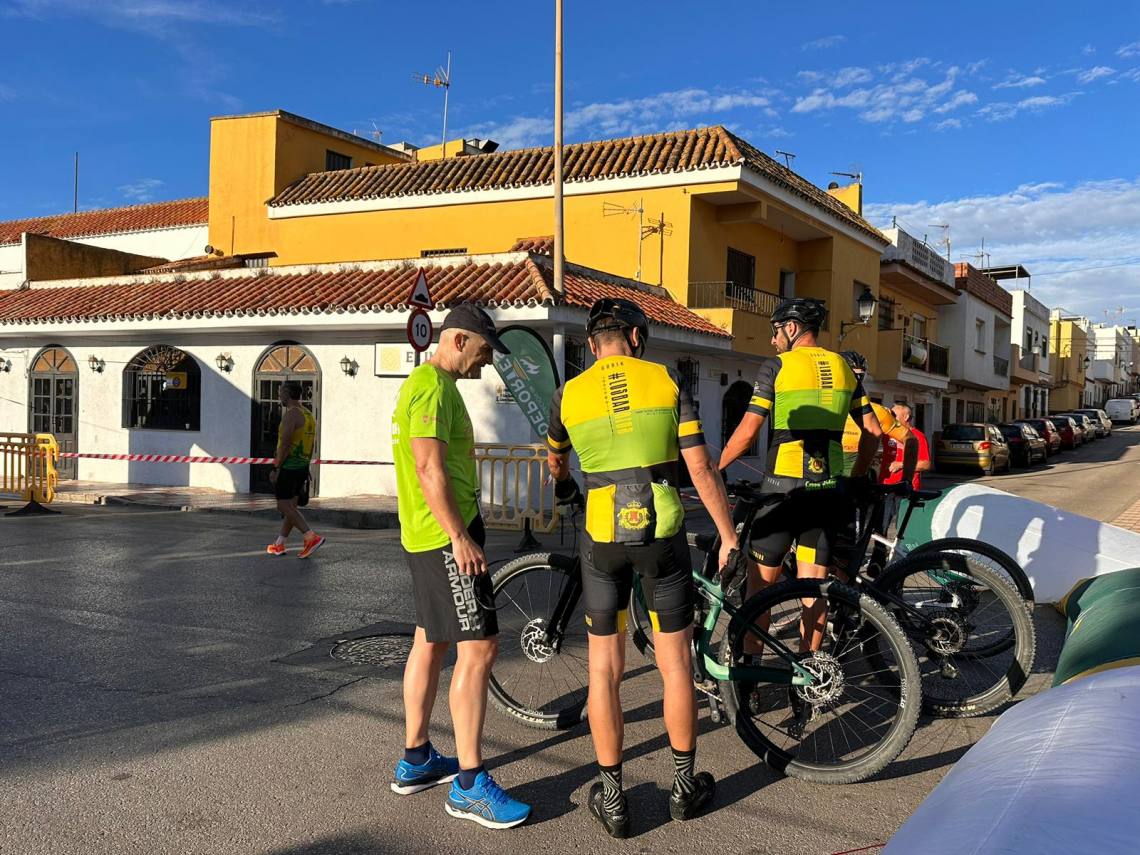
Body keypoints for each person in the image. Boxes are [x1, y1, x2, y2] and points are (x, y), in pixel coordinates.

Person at [546, 297, 737, 838]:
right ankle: (683, 787)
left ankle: (613, 799)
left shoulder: (568, 393)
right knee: (675, 665)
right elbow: (699, 466)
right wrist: (727, 535)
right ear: (636, 337)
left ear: (592, 345)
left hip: (602, 536)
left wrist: (566, 486)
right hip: (662, 532)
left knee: (604, 671)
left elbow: (555, 458)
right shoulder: (667, 381)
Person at [390, 303, 530, 829]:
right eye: (485, 350)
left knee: (431, 640)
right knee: (480, 648)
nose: (487, 361)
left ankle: (417, 758)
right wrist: (459, 537)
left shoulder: (432, 387)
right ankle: (470, 785)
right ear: (458, 340)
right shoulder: (430, 388)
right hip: (444, 538)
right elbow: (428, 466)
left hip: (429, 535)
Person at [718, 298, 878, 653]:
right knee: (814, 587)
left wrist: (715, 469)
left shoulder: (776, 366)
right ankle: (810, 670)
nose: (773, 339)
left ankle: (750, 672)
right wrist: (856, 477)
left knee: (760, 588)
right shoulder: (844, 368)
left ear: (791, 328)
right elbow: (873, 431)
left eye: (775, 331)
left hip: (783, 488)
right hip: (828, 489)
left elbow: (747, 434)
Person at [266, 381, 325, 559]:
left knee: (283, 505)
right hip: (302, 466)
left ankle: (310, 537)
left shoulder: (291, 415)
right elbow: (311, 443)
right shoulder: (308, 414)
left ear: (287, 393)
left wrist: (276, 467)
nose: (279, 396)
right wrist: (306, 464)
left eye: (280, 392)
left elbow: (285, 444)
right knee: (291, 508)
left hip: (289, 467)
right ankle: (279, 544)